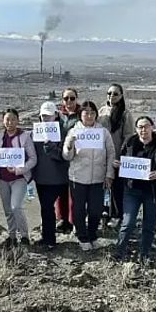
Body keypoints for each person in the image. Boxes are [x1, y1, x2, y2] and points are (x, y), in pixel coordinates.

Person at [113, 116, 156, 262]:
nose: (143, 130)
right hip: (132, 189)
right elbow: (121, 160)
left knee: (149, 225)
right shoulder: (129, 143)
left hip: (152, 192)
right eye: (139, 127)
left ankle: (144, 254)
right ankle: (119, 252)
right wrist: (118, 165)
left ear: (152, 127)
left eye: (146, 126)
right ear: (136, 129)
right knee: (128, 222)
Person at [62, 101, 115, 251]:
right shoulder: (74, 131)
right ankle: (82, 236)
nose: (89, 116)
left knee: (95, 209)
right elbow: (67, 156)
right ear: (81, 115)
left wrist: (109, 174)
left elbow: (111, 153)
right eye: (86, 113)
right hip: (78, 177)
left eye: (92, 113)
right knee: (78, 209)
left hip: (98, 177)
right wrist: (69, 146)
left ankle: (92, 234)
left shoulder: (103, 132)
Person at [0, 109, 37, 247]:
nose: (10, 122)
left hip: (19, 178)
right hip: (3, 179)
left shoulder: (24, 137)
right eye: (7, 119)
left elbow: (33, 158)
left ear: (18, 120)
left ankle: (24, 235)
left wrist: (20, 169)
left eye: (13, 119)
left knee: (16, 206)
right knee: (7, 209)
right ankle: (12, 236)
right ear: (3, 121)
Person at [33, 101, 70, 251]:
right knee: (45, 208)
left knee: (48, 207)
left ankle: (50, 239)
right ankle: (47, 237)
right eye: (43, 116)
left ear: (56, 115)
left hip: (58, 178)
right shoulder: (35, 132)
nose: (46, 118)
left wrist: (51, 148)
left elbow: (65, 156)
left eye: (49, 115)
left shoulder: (64, 132)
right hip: (41, 178)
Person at [98, 83, 136, 228]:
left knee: (117, 188)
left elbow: (128, 137)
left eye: (115, 94)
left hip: (117, 158)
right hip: (101, 156)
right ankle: (104, 212)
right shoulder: (101, 111)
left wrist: (119, 157)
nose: (111, 96)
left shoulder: (125, 114)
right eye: (109, 93)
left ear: (121, 96)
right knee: (104, 187)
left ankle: (117, 215)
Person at [55, 88, 80, 233]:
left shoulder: (81, 115)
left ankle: (72, 220)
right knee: (61, 189)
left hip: (76, 157)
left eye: (72, 98)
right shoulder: (58, 115)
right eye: (66, 98)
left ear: (76, 99)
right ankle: (62, 218)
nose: (69, 101)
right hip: (59, 157)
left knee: (74, 191)